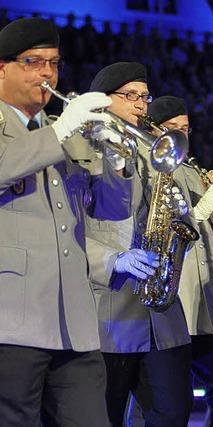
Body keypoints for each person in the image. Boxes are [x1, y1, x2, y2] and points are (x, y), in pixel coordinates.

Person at [0, 17, 134, 426]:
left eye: (54, 63)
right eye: (32, 61)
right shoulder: (58, 130)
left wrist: (117, 160)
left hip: (73, 319)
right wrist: (60, 131)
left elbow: (111, 210)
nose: (46, 73)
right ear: (1, 68)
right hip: (10, 320)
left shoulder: (66, 130)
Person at [83, 63, 193, 427]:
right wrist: (112, 259)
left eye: (144, 96)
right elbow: (67, 226)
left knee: (174, 413)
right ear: (104, 100)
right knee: (103, 416)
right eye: (130, 96)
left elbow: (181, 214)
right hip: (109, 311)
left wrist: (180, 224)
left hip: (161, 314)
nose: (141, 105)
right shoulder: (83, 144)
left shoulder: (157, 149)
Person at [142, 95, 213, 427]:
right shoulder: (152, 164)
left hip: (207, 305)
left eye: (185, 128)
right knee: (167, 400)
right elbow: (163, 224)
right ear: (156, 130)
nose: (182, 135)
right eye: (173, 128)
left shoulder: (191, 169)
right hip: (174, 298)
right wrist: (201, 211)